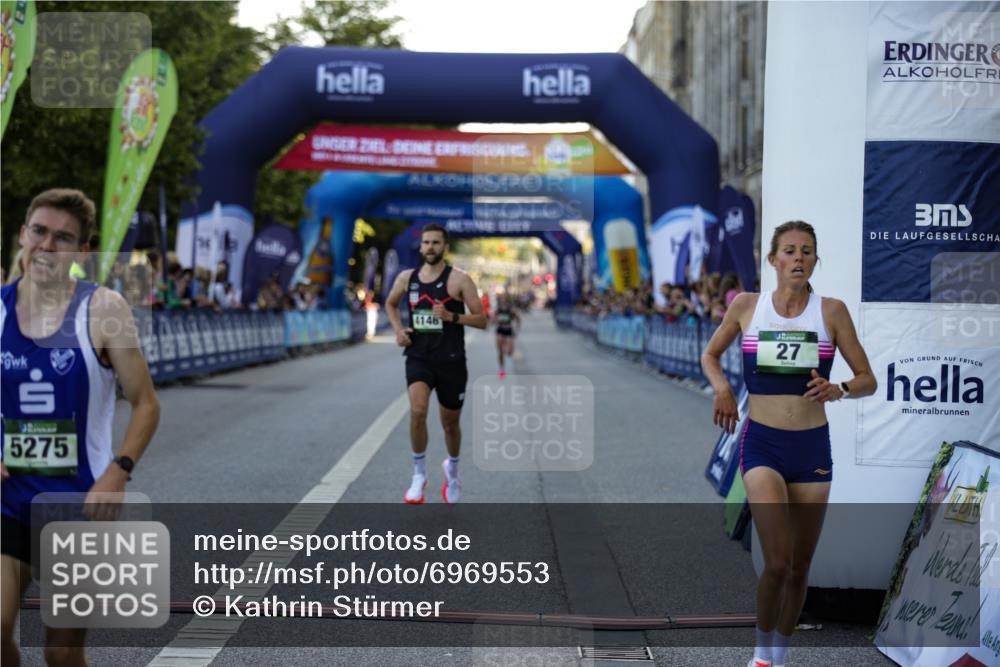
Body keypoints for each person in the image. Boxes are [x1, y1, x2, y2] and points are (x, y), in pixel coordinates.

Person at [700, 220, 876, 667]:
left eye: (808, 251)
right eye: (791, 251)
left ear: (816, 260)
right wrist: (722, 387)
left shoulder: (831, 311)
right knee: (776, 563)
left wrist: (841, 389)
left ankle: (779, 657)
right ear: (774, 259)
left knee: (800, 568)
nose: (799, 258)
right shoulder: (746, 306)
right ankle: (761, 657)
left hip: (812, 450)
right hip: (763, 446)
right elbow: (710, 354)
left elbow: (867, 379)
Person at [1, 188, 161, 666]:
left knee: (62, 651)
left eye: (63, 238)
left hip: (79, 506)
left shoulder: (104, 311)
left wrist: (119, 471)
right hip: (8, 501)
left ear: (82, 252)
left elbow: (146, 404)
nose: (47, 246)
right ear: (22, 236)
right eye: (39, 232)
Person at [385, 224, 486, 505]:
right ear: (421, 247)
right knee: (417, 411)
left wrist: (453, 317)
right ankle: (419, 474)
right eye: (426, 243)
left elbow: (482, 320)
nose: (430, 247)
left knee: (450, 424)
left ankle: (452, 469)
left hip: (451, 361)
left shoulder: (460, 280)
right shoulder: (407, 278)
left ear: (445, 247)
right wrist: (398, 330)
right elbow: (391, 304)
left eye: (436, 243)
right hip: (419, 356)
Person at [492, 292, 521, 379]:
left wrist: (517, 330)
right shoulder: (498, 309)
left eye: (505, 298)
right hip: (500, 330)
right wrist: (494, 321)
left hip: (509, 330)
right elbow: (493, 319)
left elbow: (518, 319)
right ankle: (502, 369)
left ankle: (506, 349)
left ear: (508, 300)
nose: (503, 300)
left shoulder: (511, 309)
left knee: (509, 353)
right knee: (500, 351)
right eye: (502, 298)